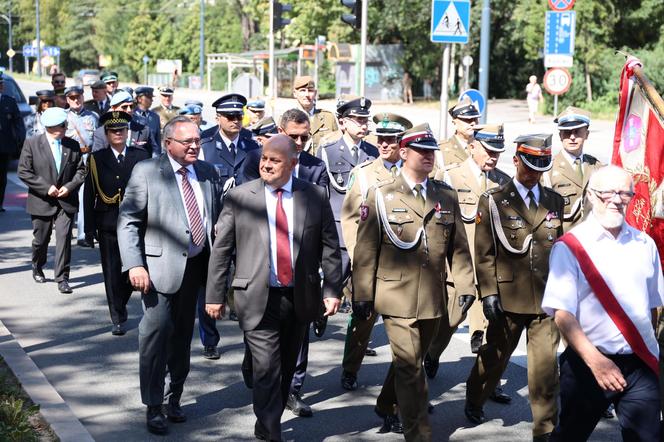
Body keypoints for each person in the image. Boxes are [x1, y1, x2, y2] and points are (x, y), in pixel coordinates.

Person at [205, 134, 342, 442]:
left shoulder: (314, 196)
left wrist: (332, 289)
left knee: (284, 368)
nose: (266, 165)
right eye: (264, 159)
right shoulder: (241, 197)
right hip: (255, 296)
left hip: (298, 296)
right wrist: (214, 296)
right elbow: (222, 251)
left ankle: (267, 420)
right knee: (268, 368)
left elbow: (330, 247)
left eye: (274, 160)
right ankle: (271, 432)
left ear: (293, 164)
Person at [352, 123, 476, 440]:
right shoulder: (381, 195)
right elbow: (365, 251)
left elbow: (458, 247)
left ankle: (384, 403)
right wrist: (362, 295)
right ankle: (418, 433)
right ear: (404, 152)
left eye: (431, 151)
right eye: (421, 151)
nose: (428, 156)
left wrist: (464, 285)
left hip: (432, 296)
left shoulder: (444, 195)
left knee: (411, 359)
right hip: (395, 294)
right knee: (411, 367)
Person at [117, 116, 223, 435]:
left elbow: (214, 220)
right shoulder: (148, 171)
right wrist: (134, 264)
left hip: (194, 268)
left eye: (197, 141)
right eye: (187, 141)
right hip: (156, 270)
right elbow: (129, 220)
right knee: (156, 334)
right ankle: (153, 405)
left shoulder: (207, 173)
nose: (194, 146)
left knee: (181, 338)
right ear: (168, 143)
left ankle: (173, 397)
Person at [542, 165, 663, 441]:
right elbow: (562, 314)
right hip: (588, 363)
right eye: (607, 192)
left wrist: (647, 350)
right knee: (570, 435)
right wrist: (596, 361)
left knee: (648, 437)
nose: (616, 199)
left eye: (624, 193)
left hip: (638, 364)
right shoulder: (570, 247)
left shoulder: (645, 244)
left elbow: (652, 307)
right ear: (591, 196)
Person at [464, 134, 564, 441]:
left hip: (546, 298)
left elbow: (562, 249)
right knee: (493, 358)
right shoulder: (494, 200)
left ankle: (545, 428)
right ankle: (475, 397)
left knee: (545, 369)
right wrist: (490, 293)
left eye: (541, 167)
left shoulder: (554, 201)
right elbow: (483, 253)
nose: (535, 173)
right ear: (516, 160)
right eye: (530, 166)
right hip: (507, 298)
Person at [239, 108, 330, 417]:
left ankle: (292, 390)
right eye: (294, 136)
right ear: (279, 131)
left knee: (296, 338)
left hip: (298, 270)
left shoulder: (316, 168)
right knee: (264, 352)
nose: (301, 142)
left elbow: (323, 224)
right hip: (260, 268)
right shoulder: (257, 160)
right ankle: (255, 363)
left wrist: (329, 281)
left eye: (306, 137)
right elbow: (244, 211)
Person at [425, 125, 512, 408]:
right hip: (458, 266)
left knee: (492, 328)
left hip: (490, 269)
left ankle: (489, 382)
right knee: (449, 322)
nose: (492, 157)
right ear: (472, 146)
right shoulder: (449, 175)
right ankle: (431, 353)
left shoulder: (503, 182)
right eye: (488, 150)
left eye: (497, 152)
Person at [339, 112, 413, 394]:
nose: (383, 144)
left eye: (390, 140)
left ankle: (404, 382)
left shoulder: (413, 173)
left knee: (406, 328)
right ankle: (350, 368)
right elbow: (350, 218)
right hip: (371, 264)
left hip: (405, 265)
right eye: (380, 139)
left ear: (402, 142)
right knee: (361, 321)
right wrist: (359, 257)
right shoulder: (363, 174)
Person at [84, 111, 150, 335]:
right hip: (108, 222)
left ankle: (121, 298)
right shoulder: (96, 158)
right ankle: (118, 316)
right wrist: (89, 227)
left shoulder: (141, 156)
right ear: (107, 133)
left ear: (127, 131)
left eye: (122, 130)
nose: (118, 134)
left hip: (136, 223)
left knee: (132, 269)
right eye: (113, 131)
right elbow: (90, 193)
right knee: (111, 271)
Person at [317, 97, 378, 314]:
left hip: (368, 227)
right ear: (342, 122)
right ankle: (320, 311)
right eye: (357, 120)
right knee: (335, 279)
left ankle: (360, 340)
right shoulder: (328, 151)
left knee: (364, 288)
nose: (363, 125)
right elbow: (321, 192)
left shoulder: (373, 152)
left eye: (365, 120)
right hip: (339, 226)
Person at [17, 107, 86, 293]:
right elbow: (23, 171)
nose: (65, 128)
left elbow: (81, 170)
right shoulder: (32, 144)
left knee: (63, 238)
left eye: (65, 125)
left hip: (66, 201)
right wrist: (46, 188)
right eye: (62, 125)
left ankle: (62, 278)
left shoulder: (71, 145)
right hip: (42, 201)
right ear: (51, 127)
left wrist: (69, 187)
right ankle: (37, 265)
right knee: (41, 240)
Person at [542, 106, 603, 231]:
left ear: (586, 134)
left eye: (577, 131)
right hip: (563, 241)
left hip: (592, 240)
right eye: (567, 132)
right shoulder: (547, 171)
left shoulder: (596, 167)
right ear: (560, 135)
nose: (572, 137)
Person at [200, 93, 260, 193]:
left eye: (239, 116)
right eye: (230, 117)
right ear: (218, 119)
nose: (236, 121)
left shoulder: (253, 147)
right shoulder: (205, 148)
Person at [64, 86, 98, 249]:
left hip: (87, 157)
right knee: (68, 195)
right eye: (72, 98)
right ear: (67, 100)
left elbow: (98, 140)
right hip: (70, 159)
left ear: (83, 97)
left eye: (78, 97)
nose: (76, 100)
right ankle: (66, 230)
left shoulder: (93, 117)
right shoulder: (64, 117)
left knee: (85, 197)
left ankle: (83, 235)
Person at [92, 90, 159, 156]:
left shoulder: (144, 130)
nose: (129, 110)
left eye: (131, 106)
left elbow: (154, 154)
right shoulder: (101, 133)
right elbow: (97, 159)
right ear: (113, 108)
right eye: (124, 107)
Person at [0, 73, 26, 212]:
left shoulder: (9, 101)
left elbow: (18, 122)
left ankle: (0, 204)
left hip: (4, 146)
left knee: (2, 176)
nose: (2, 86)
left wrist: (21, 140)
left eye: (1, 84)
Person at [292, 75, 338, 154]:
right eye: (302, 90)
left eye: (310, 90)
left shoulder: (328, 117)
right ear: (295, 94)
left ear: (315, 93)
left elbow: (337, 143)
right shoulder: (288, 119)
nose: (307, 94)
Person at [438, 97, 481, 168]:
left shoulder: (482, 147)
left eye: (475, 119)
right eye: (468, 120)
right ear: (455, 122)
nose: (473, 123)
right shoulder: (441, 150)